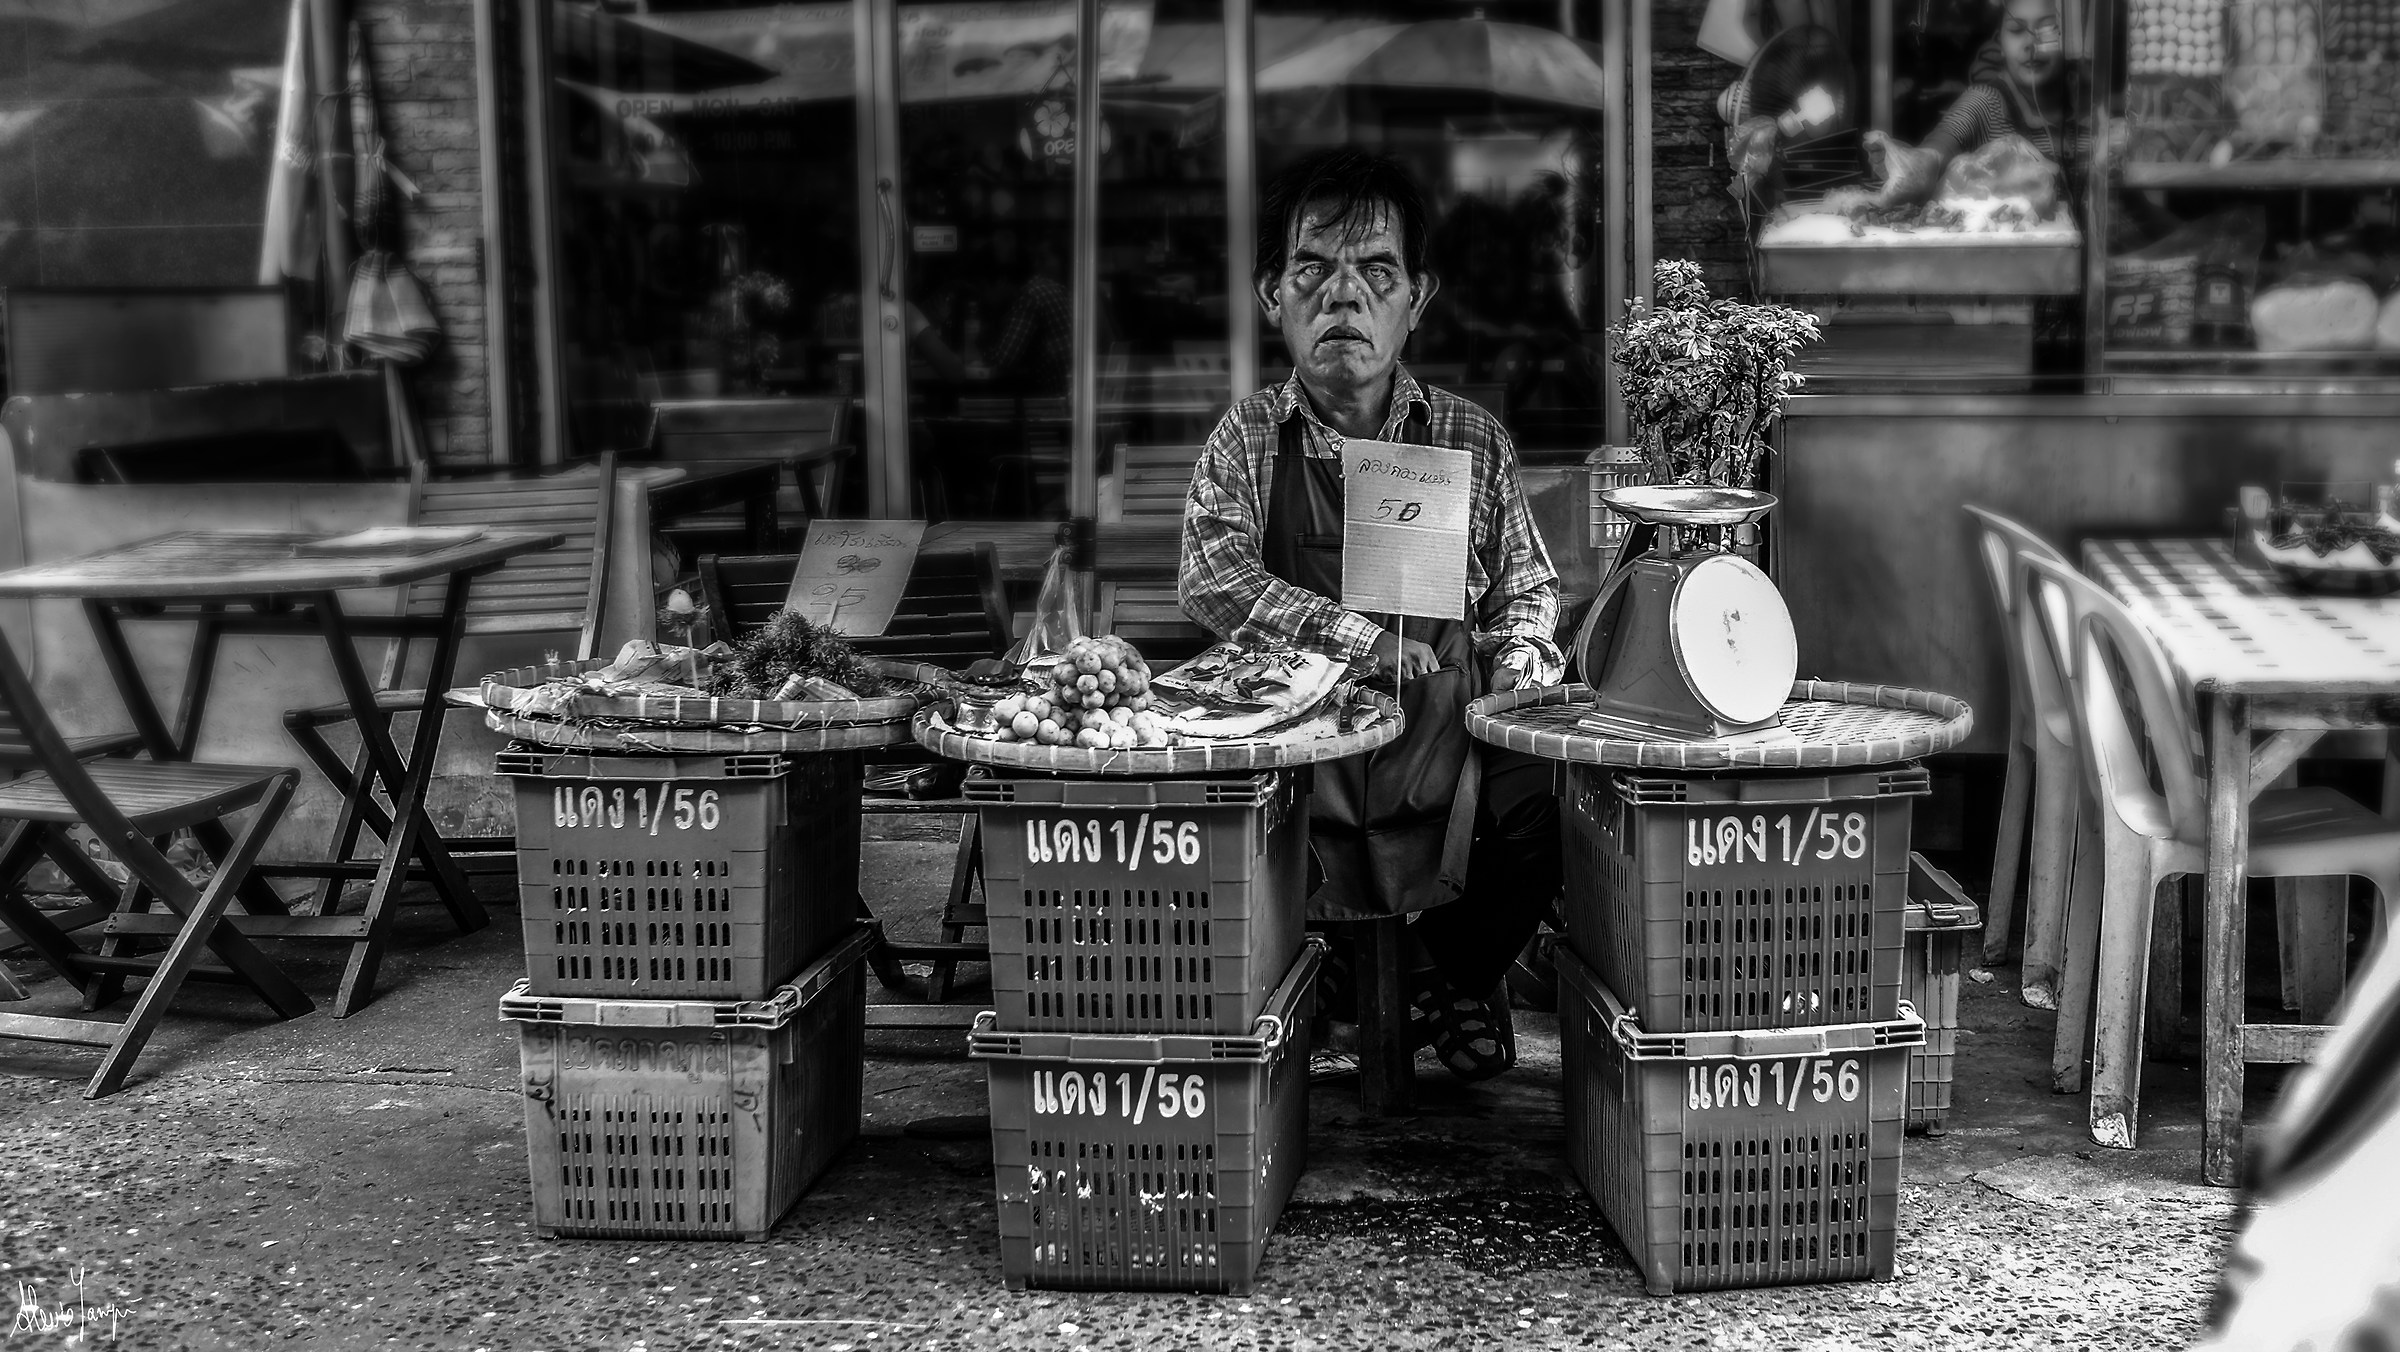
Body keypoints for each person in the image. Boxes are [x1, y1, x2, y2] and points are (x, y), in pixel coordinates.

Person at [1178, 148, 1564, 1083]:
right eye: (1312, 269)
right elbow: (1210, 574)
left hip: (1445, 732)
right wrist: (1357, 641)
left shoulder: (1470, 437)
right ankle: (1328, 974)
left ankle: (1450, 976)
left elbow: (1526, 590)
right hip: (1297, 734)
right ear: (1274, 295)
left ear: (1416, 299)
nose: (1342, 297)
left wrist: (1518, 664)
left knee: (1554, 804)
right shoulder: (1248, 435)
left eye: (1375, 272)